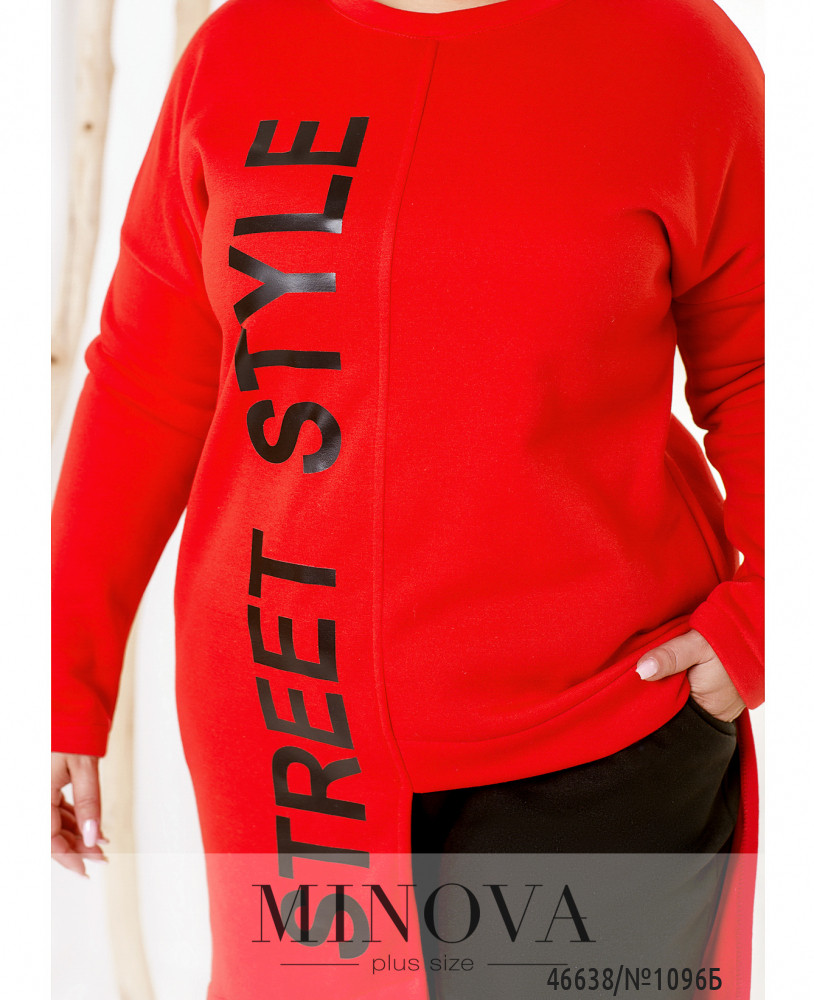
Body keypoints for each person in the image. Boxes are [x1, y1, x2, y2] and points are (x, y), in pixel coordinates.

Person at [51, 1, 763, 997]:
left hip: (601, 732)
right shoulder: (241, 51)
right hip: (295, 742)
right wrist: (59, 681)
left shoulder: (679, 54)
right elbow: (147, 384)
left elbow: (766, 369)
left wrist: (762, 618)